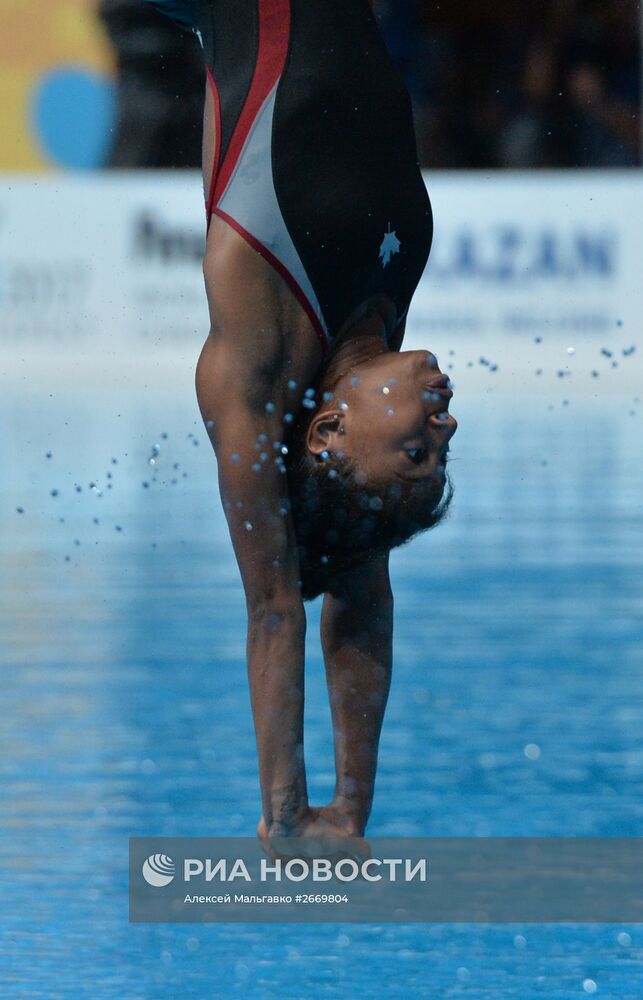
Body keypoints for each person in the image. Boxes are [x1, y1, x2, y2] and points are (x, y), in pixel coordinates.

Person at [146, 0, 457, 855]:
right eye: (440, 447)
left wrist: (287, 813)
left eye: (416, 448)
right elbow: (360, 596)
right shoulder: (369, 338)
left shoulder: (255, 348)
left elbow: (276, 607)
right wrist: (353, 808)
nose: (446, 416)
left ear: (327, 434)